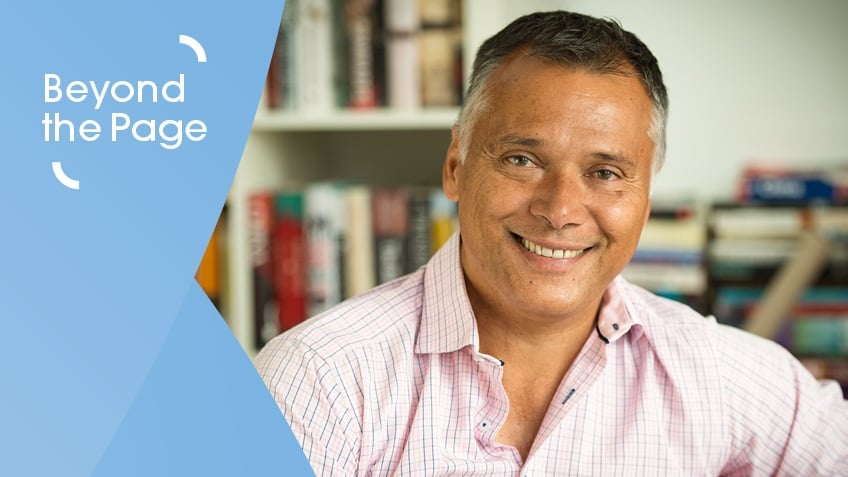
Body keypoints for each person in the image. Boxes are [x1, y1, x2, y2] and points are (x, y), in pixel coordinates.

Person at [255, 10, 848, 475]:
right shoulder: (322, 380)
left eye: (606, 173)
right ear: (457, 164)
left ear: (646, 192)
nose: (561, 210)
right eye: (522, 159)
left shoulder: (714, 374)